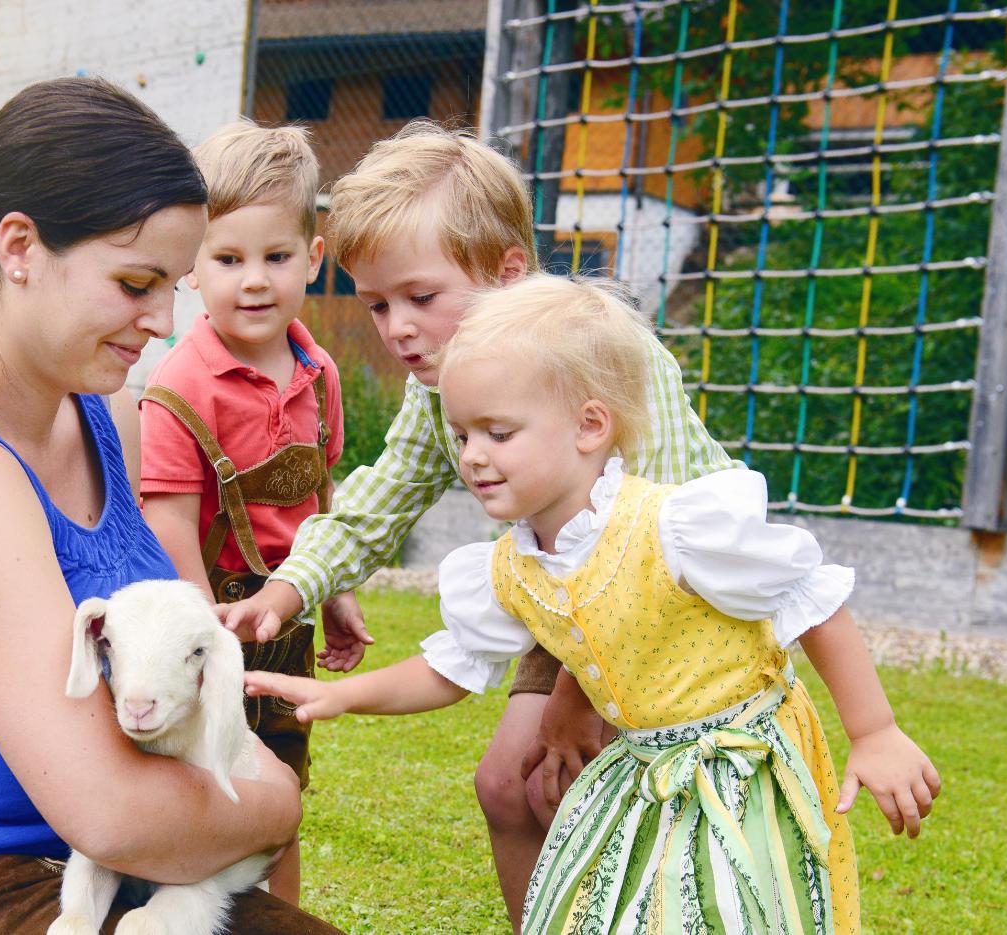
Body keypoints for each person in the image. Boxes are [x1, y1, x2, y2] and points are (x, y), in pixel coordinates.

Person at [0, 76, 339, 935]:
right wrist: (273, 797)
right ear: (19, 246)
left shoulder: (101, 409)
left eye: (172, 285)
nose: (162, 320)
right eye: (134, 282)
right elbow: (112, 811)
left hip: (118, 869)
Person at [247, 274, 942, 935]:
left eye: (499, 432)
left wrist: (875, 731)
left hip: (740, 769)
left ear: (589, 426)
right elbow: (450, 669)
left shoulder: (675, 526)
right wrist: (340, 696)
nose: (474, 457)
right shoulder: (514, 565)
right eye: (462, 435)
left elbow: (807, 595)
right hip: (641, 772)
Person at [218, 120, 737, 930]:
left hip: (684, 615)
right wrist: (285, 591)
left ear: (509, 272)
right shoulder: (442, 386)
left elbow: (653, 539)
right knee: (507, 785)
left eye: (421, 298)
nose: (397, 329)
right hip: (571, 601)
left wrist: (577, 692)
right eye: (377, 303)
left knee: (608, 794)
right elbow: (377, 498)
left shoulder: (611, 353)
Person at [137, 119, 356, 905]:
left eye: (276, 256)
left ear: (315, 257)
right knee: (202, 788)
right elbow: (168, 518)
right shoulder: (180, 384)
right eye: (228, 259)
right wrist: (204, 640)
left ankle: (278, 918)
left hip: (285, 626)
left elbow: (318, 502)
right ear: (192, 267)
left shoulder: (319, 370)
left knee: (280, 792)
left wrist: (336, 591)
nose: (253, 280)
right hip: (207, 618)